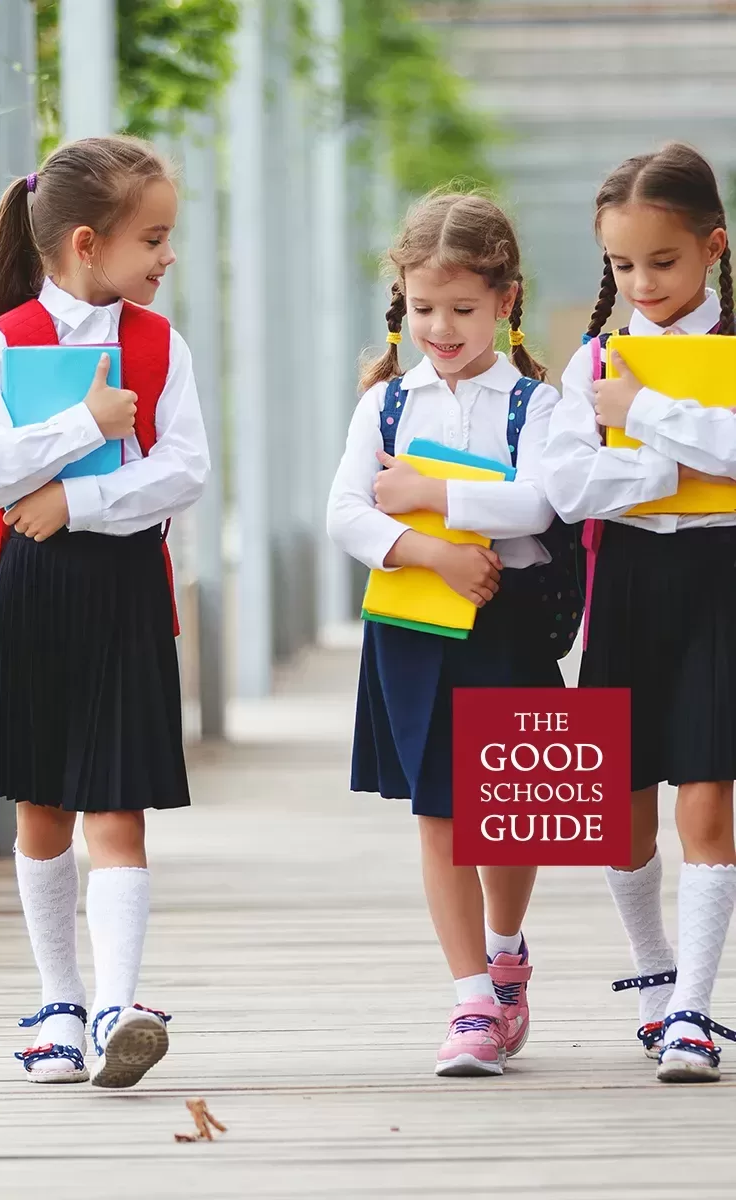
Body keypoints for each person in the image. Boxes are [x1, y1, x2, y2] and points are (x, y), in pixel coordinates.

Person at [327, 190, 569, 1077]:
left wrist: (428, 494)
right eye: (425, 307)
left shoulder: (537, 406)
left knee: (511, 815)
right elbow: (345, 513)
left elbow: (540, 503)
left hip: (508, 629)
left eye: (463, 309)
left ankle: (506, 955)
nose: (441, 327)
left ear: (505, 301)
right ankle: (471, 1000)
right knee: (441, 813)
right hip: (416, 630)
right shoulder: (385, 405)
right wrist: (434, 551)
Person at [0, 135, 209, 1087]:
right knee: (41, 804)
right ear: (88, 243)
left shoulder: (163, 343)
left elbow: (185, 472)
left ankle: (118, 1003)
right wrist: (87, 424)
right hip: (30, 590)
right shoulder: (4, 340)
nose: (167, 256)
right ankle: (60, 1004)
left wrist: (75, 499)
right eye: (153, 239)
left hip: (123, 587)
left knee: (120, 805)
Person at [544, 142, 736, 1083]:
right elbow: (567, 487)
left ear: (714, 246)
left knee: (707, 781)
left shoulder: (647, 374)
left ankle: (696, 1007)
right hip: (623, 581)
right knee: (618, 799)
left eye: (663, 260)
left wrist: (644, 413)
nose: (643, 283)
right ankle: (655, 981)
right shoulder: (591, 362)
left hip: (721, 579)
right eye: (623, 264)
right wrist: (682, 461)